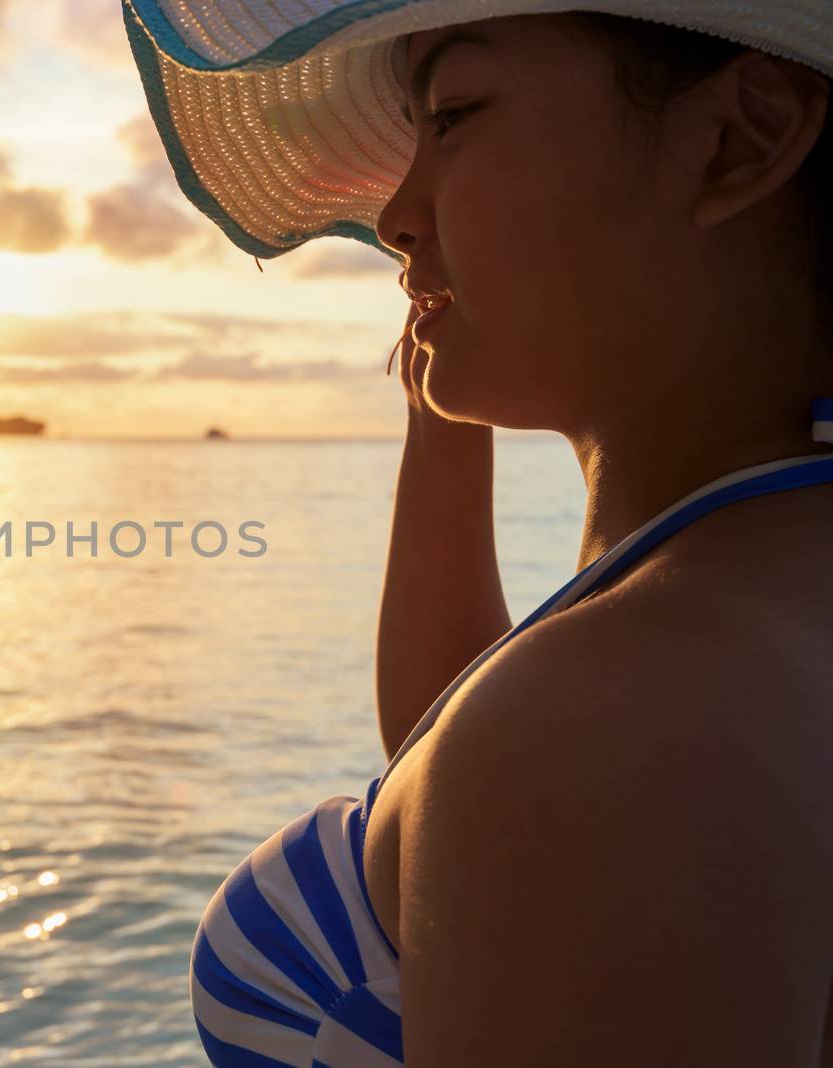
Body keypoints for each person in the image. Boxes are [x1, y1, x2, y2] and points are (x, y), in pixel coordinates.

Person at [121, 2, 833, 1063]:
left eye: (453, 114)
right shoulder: (741, 585)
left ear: (739, 138)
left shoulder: (620, 718)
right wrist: (441, 432)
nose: (396, 217)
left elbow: (548, 756)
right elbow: (450, 741)